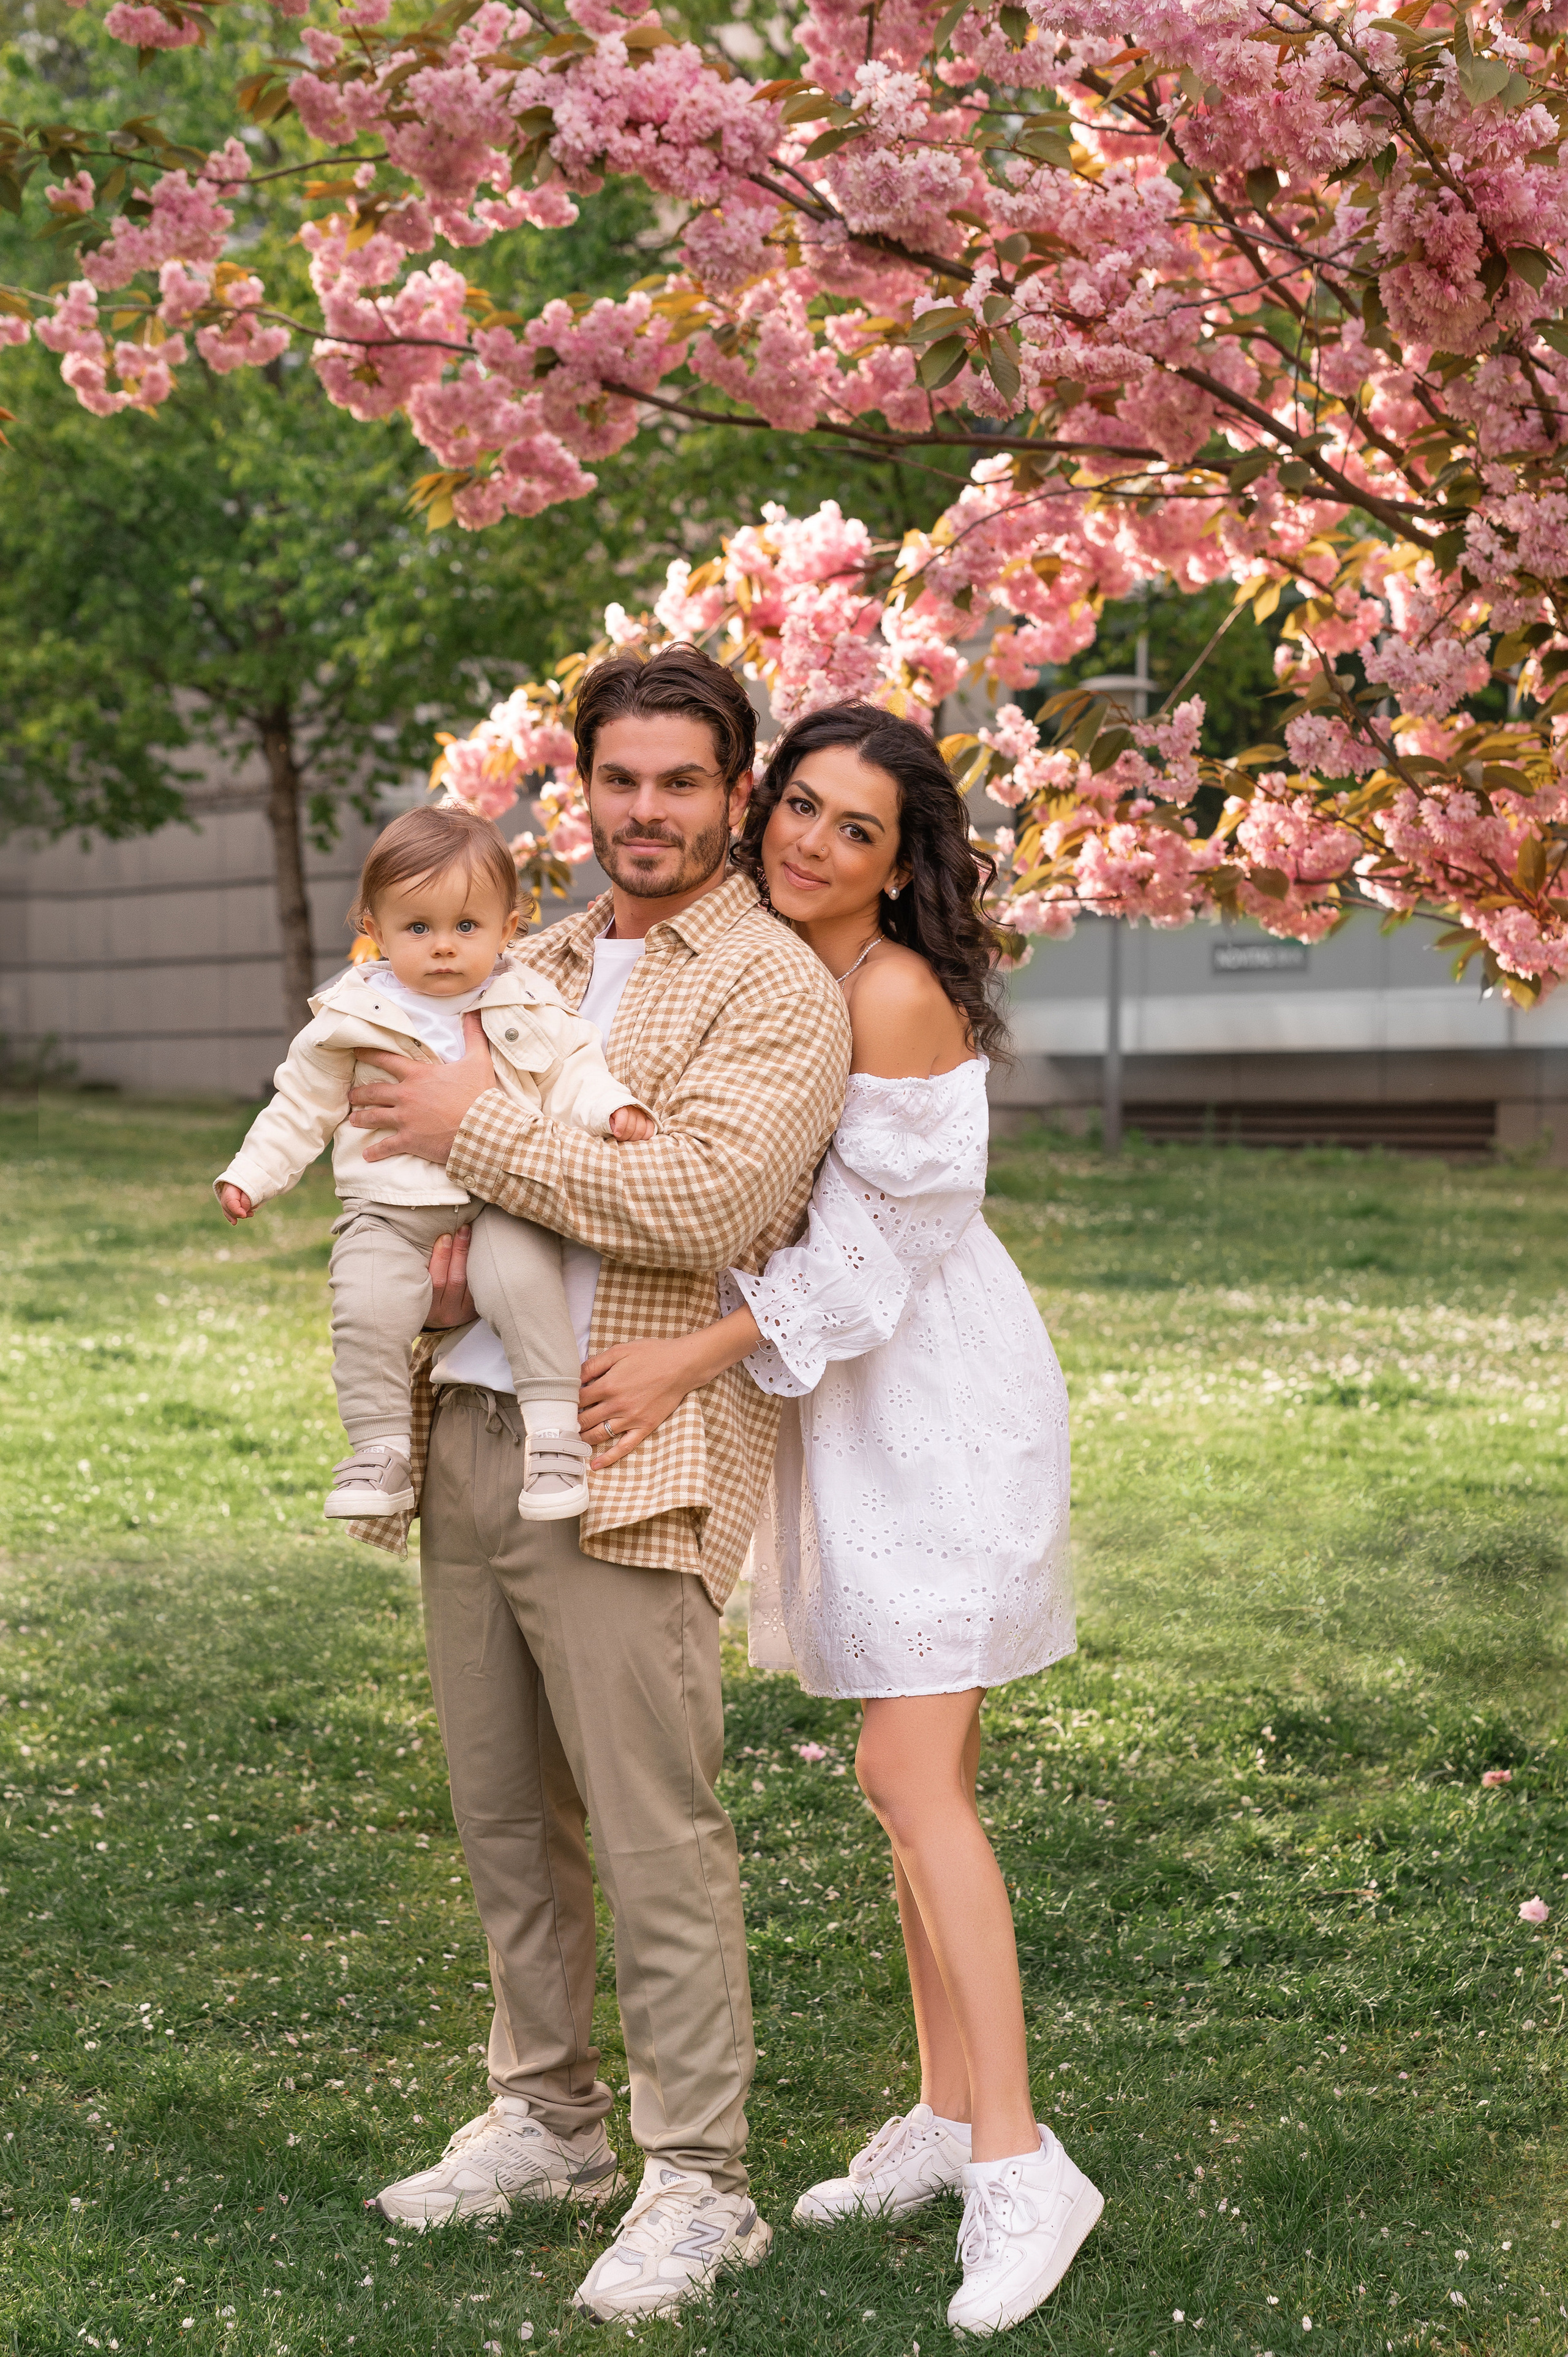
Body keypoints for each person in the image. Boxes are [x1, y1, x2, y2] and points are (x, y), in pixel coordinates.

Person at [337, 647, 852, 2324]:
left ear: (735, 793)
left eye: (682, 782)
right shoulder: (526, 950)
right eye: (620, 779)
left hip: (631, 1448)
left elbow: (706, 1203)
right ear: (586, 787)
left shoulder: (775, 986)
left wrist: (476, 1126)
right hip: (471, 1432)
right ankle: (549, 2119)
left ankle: (702, 2174)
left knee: (654, 1824)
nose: (647, 811)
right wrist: (423, 1256)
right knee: (502, 1811)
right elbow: (393, 1138)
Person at [576, 703, 1099, 2339]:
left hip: (934, 1402)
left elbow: (878, 1257)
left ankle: (1023, 2158)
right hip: (857, 1416)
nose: (808, 840)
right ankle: (945, 2111)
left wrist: (684, 1358)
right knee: (899, 1772)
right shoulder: (787, 972)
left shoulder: (887, 987)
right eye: (798, 805)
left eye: (851, 828)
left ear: (900, 861)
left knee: (912, 1772)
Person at [213, 804, 654, 1524]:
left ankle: (552, 1439)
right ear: (374, 930)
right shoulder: (348, 1023)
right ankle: (380, 1451)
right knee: (366, 1306)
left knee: (523, 1290)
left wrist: (612, 1109)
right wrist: (252, 1175)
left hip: (502, 1201)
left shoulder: (528, 1002)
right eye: (418, 928)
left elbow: (571, 1074)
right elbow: (300, 1108)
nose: (443, 947)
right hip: (386, 1207)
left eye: (467, 927)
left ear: (509, 928)